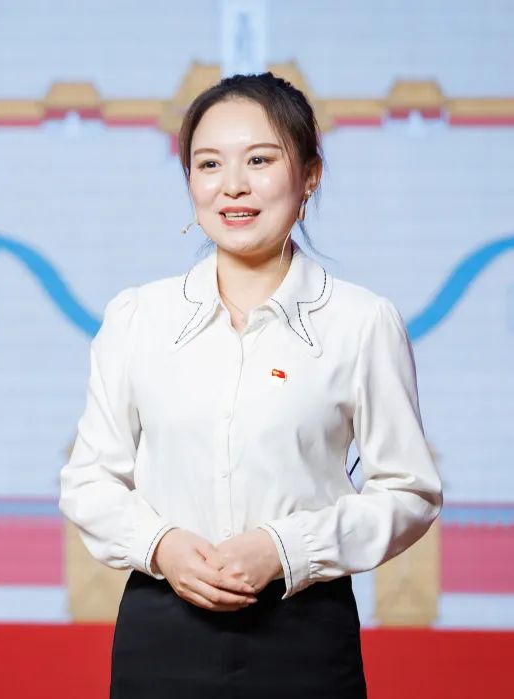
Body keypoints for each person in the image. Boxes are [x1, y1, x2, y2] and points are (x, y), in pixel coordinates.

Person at [58, 71, 443, 698]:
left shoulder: (361, 322)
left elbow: (409, 491)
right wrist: (162, 545)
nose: (232, 185)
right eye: (209, 164)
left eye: (260, 160)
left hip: (304, 633)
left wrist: (284, 547)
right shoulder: (137, 318)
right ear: (189, 180)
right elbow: (89, 479)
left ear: (310, 175)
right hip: (161, 630)